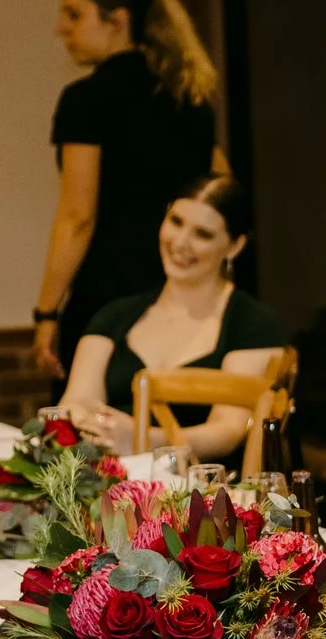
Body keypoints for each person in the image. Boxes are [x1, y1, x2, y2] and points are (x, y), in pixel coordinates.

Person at [36, 0, 223, 380]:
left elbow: (77, 216)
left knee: (88, 434)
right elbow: (221, 186)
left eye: (74, 15)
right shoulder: (188, 93)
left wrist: (47, 311)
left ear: (117, 20)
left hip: (109, 297)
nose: (60, 29)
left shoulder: (86, 100)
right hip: (183, 289)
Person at [59, 176, 285, 464]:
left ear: (234, 246)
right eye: (176, 222)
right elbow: (76, 400)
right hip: (108, 484)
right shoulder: (114, 315)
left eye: (202, 234)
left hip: (202, 494)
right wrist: (84, 419)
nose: (180, 243)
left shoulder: (253, 324)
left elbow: (229, 430)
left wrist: (143, 439)